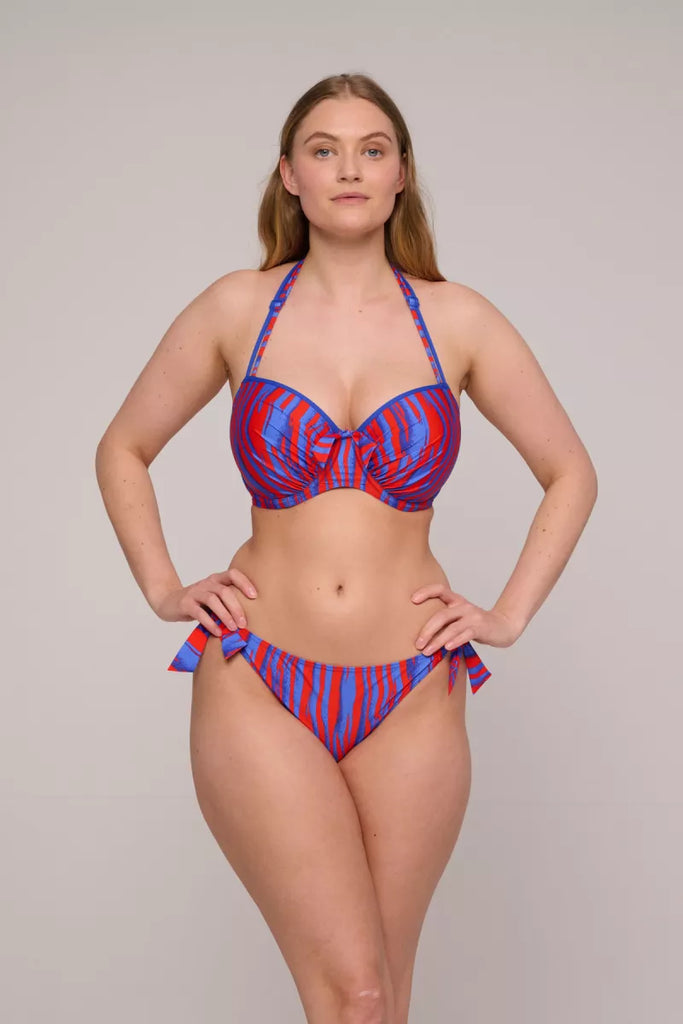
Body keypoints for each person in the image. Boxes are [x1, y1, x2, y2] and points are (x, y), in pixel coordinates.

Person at [95, 72, 598, 1024]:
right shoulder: (237, 308)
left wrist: (506, 614)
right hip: (258, 676)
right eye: (323, 150)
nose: (349, 168)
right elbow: (122, 446)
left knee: (384, 1000)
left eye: (372, 149)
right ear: (289, 174)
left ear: (402, 173)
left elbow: (569, 470)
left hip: (412, 690)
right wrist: (162, 587)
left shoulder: (457, 319)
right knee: (354, 995)